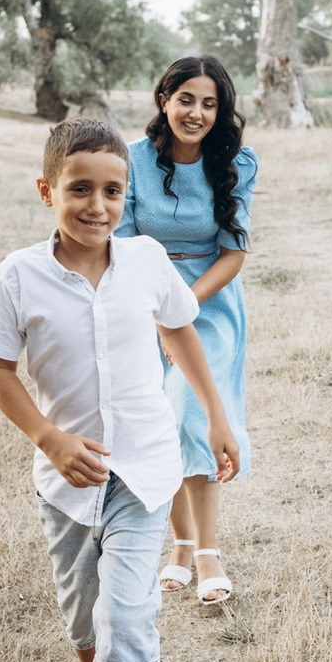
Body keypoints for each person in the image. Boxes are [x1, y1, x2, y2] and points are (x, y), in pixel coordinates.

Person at [0, 117, 240, 662]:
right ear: (47, 192)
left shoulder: (145, 260)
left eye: (112, 191)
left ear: (127, 193)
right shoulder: (18, 274)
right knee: (85, 616)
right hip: (68, 480)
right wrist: (50, 439)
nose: (97, 205)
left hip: (144, 469)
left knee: (128, 614)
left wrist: (216, 417)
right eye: (79, 189)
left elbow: (180, 330)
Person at [116, 54, 257, 606]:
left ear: (220, 111)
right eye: (185, 100)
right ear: (164, 99)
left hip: (208, 299)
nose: (195, 113)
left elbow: (234, 252)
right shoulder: (131, 160)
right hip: (140, 295)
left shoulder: (237, 163)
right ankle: (179, 544)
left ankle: (207, 551)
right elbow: (121, 244)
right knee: (161, 418)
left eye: (209, 103)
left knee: (192, 406)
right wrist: (154, 308)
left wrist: (182, 305)